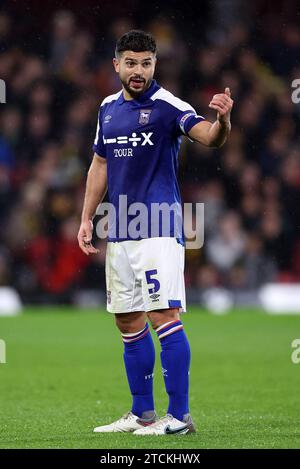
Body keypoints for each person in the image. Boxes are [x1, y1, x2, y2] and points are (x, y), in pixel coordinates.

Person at [77, 30, 233, 435]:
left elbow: (209, 138)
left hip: (158, 228)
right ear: (117, 65)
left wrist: (223, 122)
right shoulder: (107, 109)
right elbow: (100, 164)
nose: (138, 71)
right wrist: (86, 217)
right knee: (128, 321)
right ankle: (142, 412)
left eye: (146, 63)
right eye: (131, 62)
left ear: (155, 65)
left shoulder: (167, 106)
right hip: (121, 229)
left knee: (164, 315)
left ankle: (179, 417)